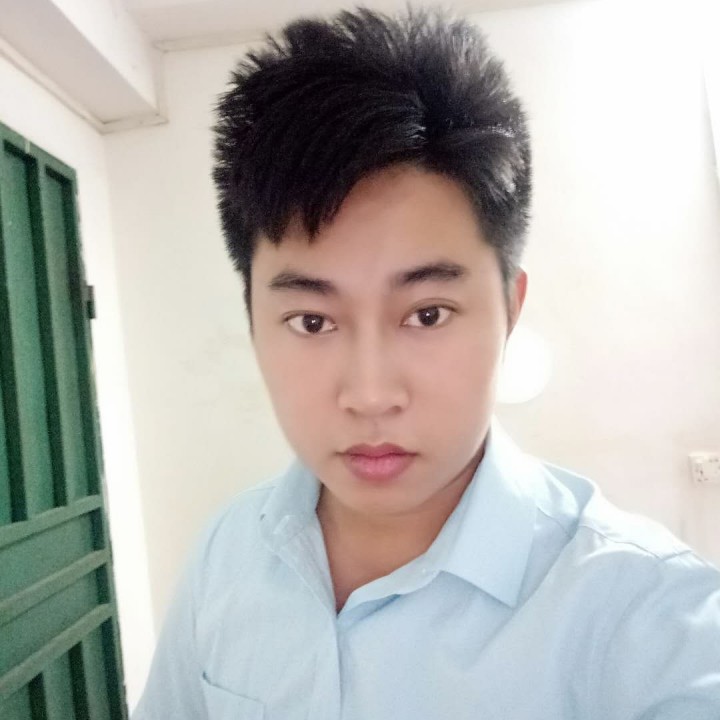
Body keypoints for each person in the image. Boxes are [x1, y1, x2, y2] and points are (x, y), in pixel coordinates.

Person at [132, 6, 720, 719]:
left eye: (427, 314)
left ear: (509, 308)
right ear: (254, 320)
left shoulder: (649, 624)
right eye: (312, 321)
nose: (370, 394)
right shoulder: (225, 555)